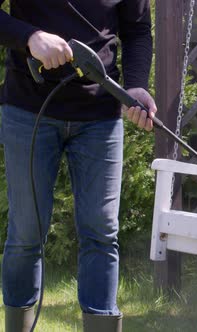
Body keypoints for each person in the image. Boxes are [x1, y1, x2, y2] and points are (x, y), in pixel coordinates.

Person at [0, 1, 156, 331]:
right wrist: (31, 37)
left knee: (101, 232)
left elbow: (138, 28)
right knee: (27, 233)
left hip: (100, 116)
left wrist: (137, 83)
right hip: (29, 109)